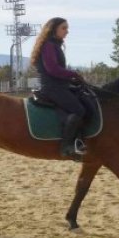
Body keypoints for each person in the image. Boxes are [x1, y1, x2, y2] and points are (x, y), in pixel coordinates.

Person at [29, 17, 87, 157]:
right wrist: (73, 74)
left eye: (67, 28)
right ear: (53, 29)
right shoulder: (49, 45)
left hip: (59, 86)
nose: (67, 31)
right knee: (78, 110)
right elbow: (52, 69)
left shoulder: (54, 45)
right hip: (52, 88)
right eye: (64, 28)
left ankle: (78, 139)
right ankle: (66, 146)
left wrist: (72, 80)